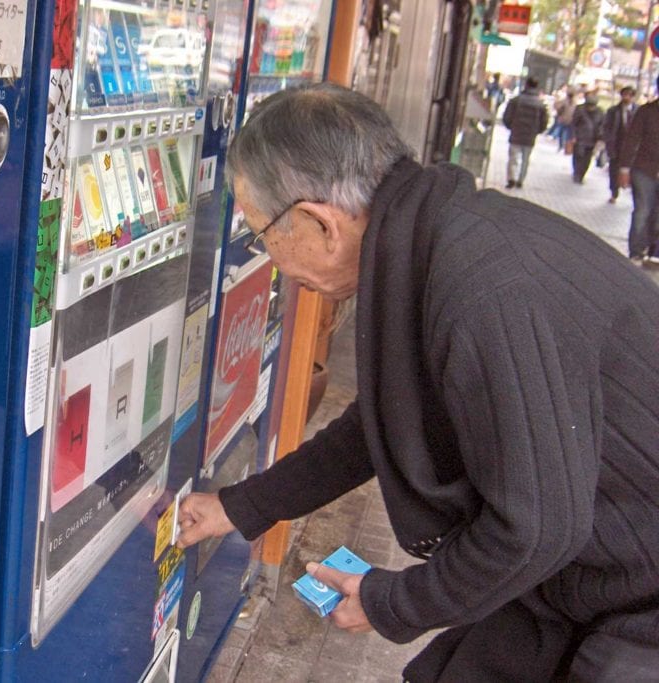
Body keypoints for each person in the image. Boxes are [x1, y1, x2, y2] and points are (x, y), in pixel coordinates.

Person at [177, 83, 659, 681]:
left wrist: (396, 603)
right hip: (584, 577)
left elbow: (537, 530)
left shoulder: (485, 288)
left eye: (261, 233)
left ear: (318, 222)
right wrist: (243, 506)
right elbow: (381, 426)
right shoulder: (431, 244)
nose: (270, 258)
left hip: (634, 598)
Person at [618, 76, 659, 264]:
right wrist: (624, 169)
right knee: (643, 209)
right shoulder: (647, 112)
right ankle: (635, 251)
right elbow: (631, 140)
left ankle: (653, 251)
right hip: (644, 170)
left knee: (656, 213)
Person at [501, 76, 548, 189]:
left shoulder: (516, 100)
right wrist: (537, 131)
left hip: (516, 133)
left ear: (526, 85)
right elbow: (544, 122)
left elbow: (507, 116)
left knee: (513, 158)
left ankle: (511, 179)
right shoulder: (540, 104)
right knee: (525, 159)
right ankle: (520, 180)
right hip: (530, 136)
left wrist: (510, 127)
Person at [601, 86, 637, 203]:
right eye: (624, 94)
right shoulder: (613, 111)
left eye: (629, 95)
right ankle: (614, 193)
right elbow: (607, 127)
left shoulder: (638, 111)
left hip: (633, 148)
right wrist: (608, 141)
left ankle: (631, 191)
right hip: (616, 146)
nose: (626, 97)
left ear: (633, 97)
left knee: (633, 172)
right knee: (614, 171)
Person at [570, 91, 604, 184]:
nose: (591, 107)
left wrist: (600, 137)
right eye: (589, 105)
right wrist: (573, 136)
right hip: (580, 137)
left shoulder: (600, 112)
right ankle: (576, 173)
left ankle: (581, 175)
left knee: (587, 159)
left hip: (592, 139)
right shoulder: (580, 109)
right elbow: (573, 123)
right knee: (578, 156)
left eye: (593, 105)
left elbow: (602, 125)